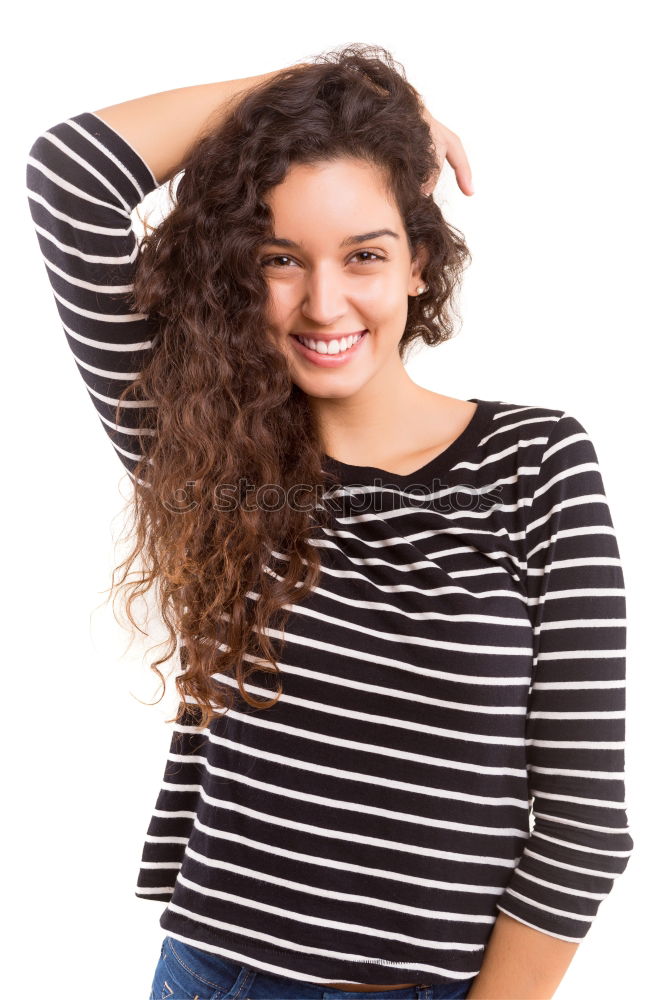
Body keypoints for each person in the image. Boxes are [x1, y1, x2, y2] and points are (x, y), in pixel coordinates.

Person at [26, 43, 633, 1000]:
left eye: (364, 255)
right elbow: (69, 176)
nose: (323, 302)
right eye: (279, 260)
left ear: (419, 264)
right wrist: (324, 98)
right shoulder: (205, 451)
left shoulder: (538, 464)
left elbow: (584, 823)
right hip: (208, 973)